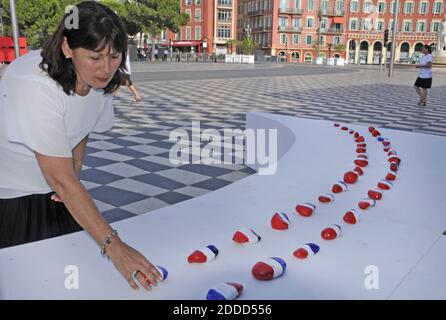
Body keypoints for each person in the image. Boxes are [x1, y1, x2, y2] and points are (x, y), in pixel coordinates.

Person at [0, 1, 161, 290]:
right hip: (11, 198)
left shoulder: (99, 82)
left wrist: (73, 176)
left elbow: (80, 131)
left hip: (56, 189)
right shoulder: (35, 85)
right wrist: (117, 248)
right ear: (67, 48)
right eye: (95, 57)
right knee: (27, 286)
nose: (107, 68)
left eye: (114, 56)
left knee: (72, 280)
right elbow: (62, 182)